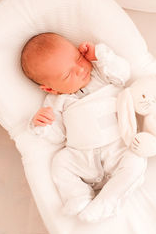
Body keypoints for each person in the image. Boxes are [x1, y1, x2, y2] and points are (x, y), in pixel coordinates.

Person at [20, 32, 147, 222]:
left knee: (136, 162)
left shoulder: (101, 74)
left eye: (78, 58)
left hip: (118, 147)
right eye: (67, 74)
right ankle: (77, 195)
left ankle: (107, 202)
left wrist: (100, 55)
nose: (79, 69)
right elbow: (58, 137)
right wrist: (42, 124)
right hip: (82, 157)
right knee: (60, 163)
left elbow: (123, 73)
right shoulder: (56, 101)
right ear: (50, 89)